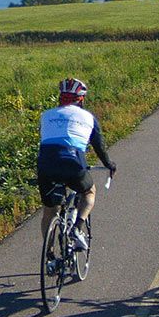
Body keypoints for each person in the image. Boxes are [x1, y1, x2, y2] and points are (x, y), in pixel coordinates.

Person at [37, 78, 116, 254]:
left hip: (46, 164)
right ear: (80, 99)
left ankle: (49, 256)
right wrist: (109, 164)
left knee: (49, 211)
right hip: (73, 163)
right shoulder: (89, 118)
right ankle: (77, 228)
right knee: (89, 192)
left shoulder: (46, 115)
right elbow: (99, 147)